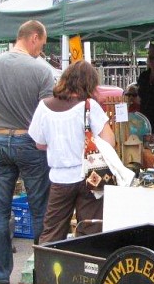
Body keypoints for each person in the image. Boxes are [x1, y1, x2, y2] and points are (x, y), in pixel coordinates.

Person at [0, 20, 54, 284]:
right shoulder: (42, 70)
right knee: (40, 210)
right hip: (30, 141)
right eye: (42, 44)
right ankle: (43, 278)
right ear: (34, 37)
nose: (41, 51)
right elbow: (46, 114)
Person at [29, 60, 115, 242]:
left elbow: (39, 144)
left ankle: (48, 259)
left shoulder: (44, 107)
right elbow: (109, 141)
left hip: (59, 178)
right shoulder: (89, 105)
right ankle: (87, 258)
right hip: (90, 176)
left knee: (52, 231)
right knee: (91, 229)